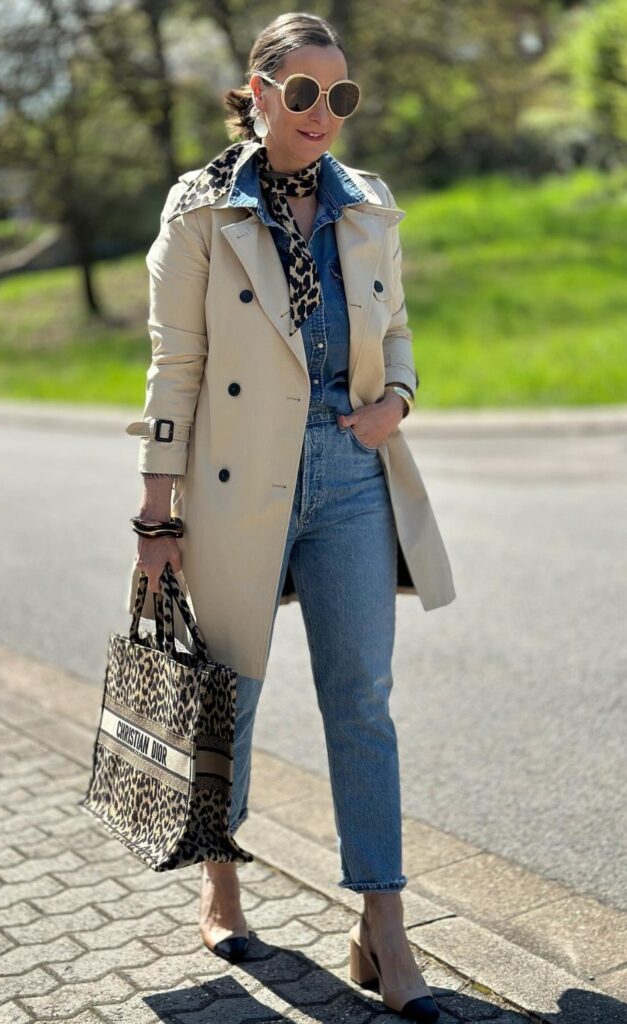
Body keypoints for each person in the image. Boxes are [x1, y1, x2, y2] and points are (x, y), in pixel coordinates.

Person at [126, 12, 455, 1023]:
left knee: (361, 698)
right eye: (303, 92)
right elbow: (175, 365)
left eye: (339, 96)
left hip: (350, 472)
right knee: (227, 692)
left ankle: (383, 931)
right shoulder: (199, 211)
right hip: (235, 477)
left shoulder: (369, 205)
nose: (323, 114)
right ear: (257, 91)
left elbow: (393, 326)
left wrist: (394, 400)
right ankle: (218, 886)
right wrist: (155, 513)